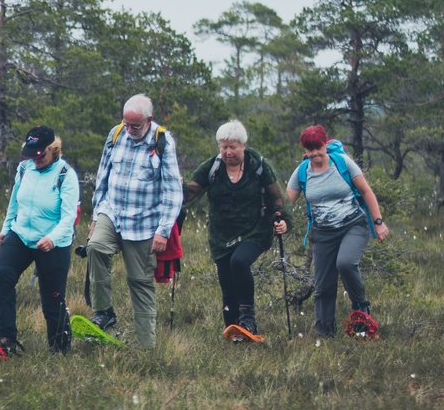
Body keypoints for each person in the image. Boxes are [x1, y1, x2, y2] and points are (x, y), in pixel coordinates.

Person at [85, 94, 183, 349]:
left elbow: (173, 191)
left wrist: (163, 231)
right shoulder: (116, 135)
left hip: (144, 223)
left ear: (149, 120)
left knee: (139, 281)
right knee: (95, 247)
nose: (129, 130)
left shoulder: (163, 142)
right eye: (126, 124)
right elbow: (102, 174)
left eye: (135, 126)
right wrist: (97, 214)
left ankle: (145, 346)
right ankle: (103, 312)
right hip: (112, 210)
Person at [183, 120, 288, 337]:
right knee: (227, 283)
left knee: (239, 262)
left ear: (243, 146)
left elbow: (278, 198)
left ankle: (248, 319)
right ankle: (233, 330)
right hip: (220, 235)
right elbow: (190, 194)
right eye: (224, 147)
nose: (228, 152)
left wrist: (280, 219)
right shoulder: (211, 167)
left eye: (233, 147)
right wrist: (175, 185)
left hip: (255, 230)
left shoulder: (258, 165)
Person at [288, 125, 389, 338]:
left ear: (326, 144)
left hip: (353, 225)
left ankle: (361, 310)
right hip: (323, 233)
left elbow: (366, 191)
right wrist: (276, 217)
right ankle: (325, 334)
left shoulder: (342, 163)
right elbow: (286, 201)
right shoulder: (302, 172)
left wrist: (378, 222)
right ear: (304, 150)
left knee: (345, 262)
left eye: (318, 147)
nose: (315, 153)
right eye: (310, 149)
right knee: (323, 285)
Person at [0, 125, 79, 355]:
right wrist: (5, 229)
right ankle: (4, 338)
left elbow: (69, 217)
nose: (35, 161)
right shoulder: (23, 169)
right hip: (20, 234)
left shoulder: (65, 175)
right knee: (2, 275)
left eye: (40, 156)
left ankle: (60, 349)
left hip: (53, 241)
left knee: (53, 298)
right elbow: (14, 203)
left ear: (53, 150)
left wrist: (51, 238)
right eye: (32, 156)